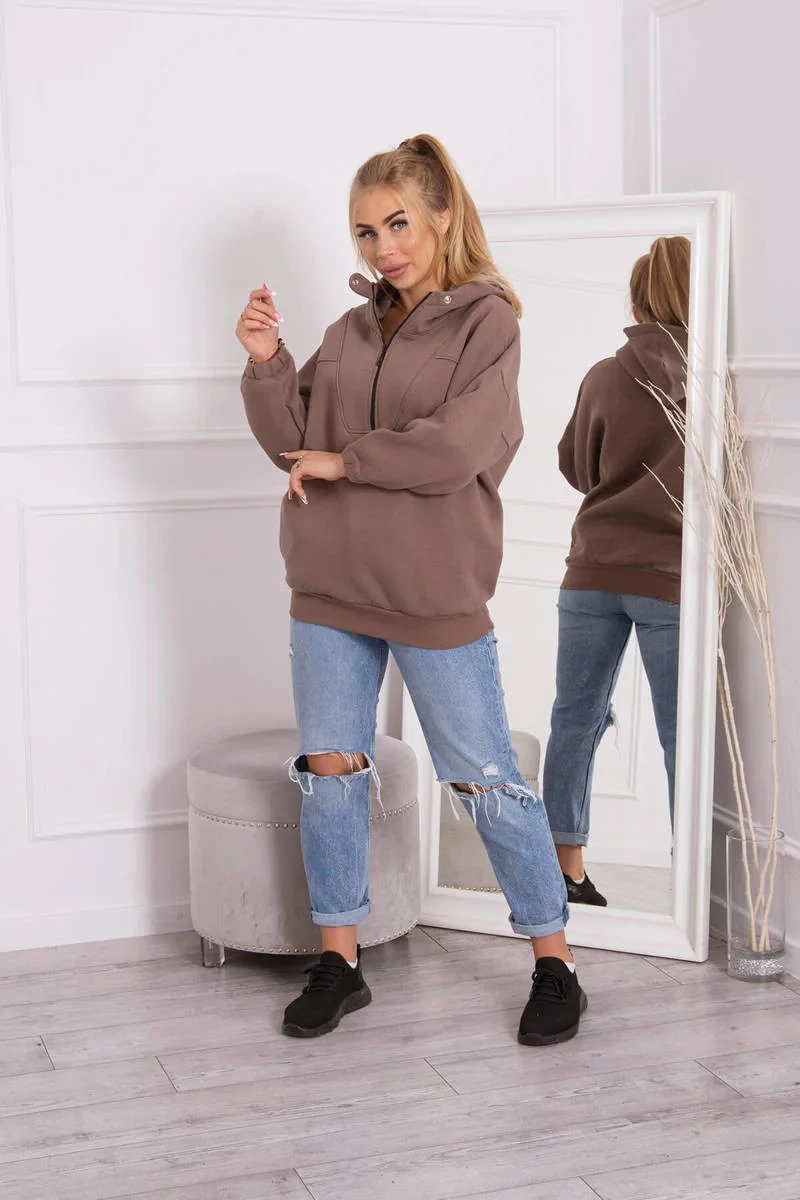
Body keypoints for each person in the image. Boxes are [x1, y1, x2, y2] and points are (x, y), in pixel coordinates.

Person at [235, 134, 587, 1046]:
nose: (383, 247)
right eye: (365, 232)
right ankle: (339, 961)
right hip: (329, 586)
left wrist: (347, 461)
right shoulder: (347, 332)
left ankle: (555, 962)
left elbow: (455, 450)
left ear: (440, 215)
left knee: (485, 778)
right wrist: (268, 362)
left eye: (397, 224)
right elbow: (292, 441)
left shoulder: (489, 324)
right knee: (331, 775)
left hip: (433, 591)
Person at [543, 235, 690, 907]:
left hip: (593, 572)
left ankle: (565, 871)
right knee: (680, 736)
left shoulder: (605, 374)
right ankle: (690, 881)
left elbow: (577, 468)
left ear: (637, 301)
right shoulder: (713, 377)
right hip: (670, 579)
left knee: (575, 719)